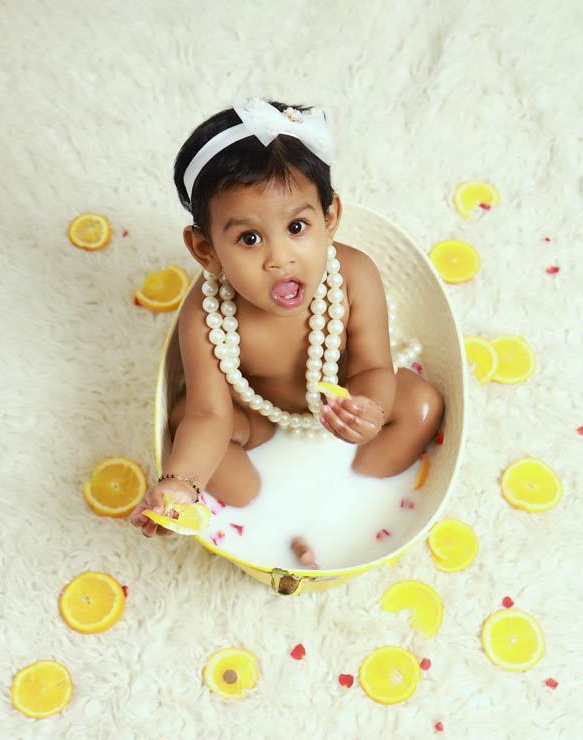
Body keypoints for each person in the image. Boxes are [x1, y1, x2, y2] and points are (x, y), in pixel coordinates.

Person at [131, 98, 444, 564]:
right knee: (186, 424)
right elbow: (209, 414)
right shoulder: (206, 313)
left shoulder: (354, 276)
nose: (279, 258)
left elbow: (373, 366)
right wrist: (181, 482)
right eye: (249, 238)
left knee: (422, 404)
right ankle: (265, 507)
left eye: (297, 226)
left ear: (329, 219)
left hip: (343, 400)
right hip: (260, 419)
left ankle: (359, 486)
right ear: (205, 249)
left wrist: (370, 411)